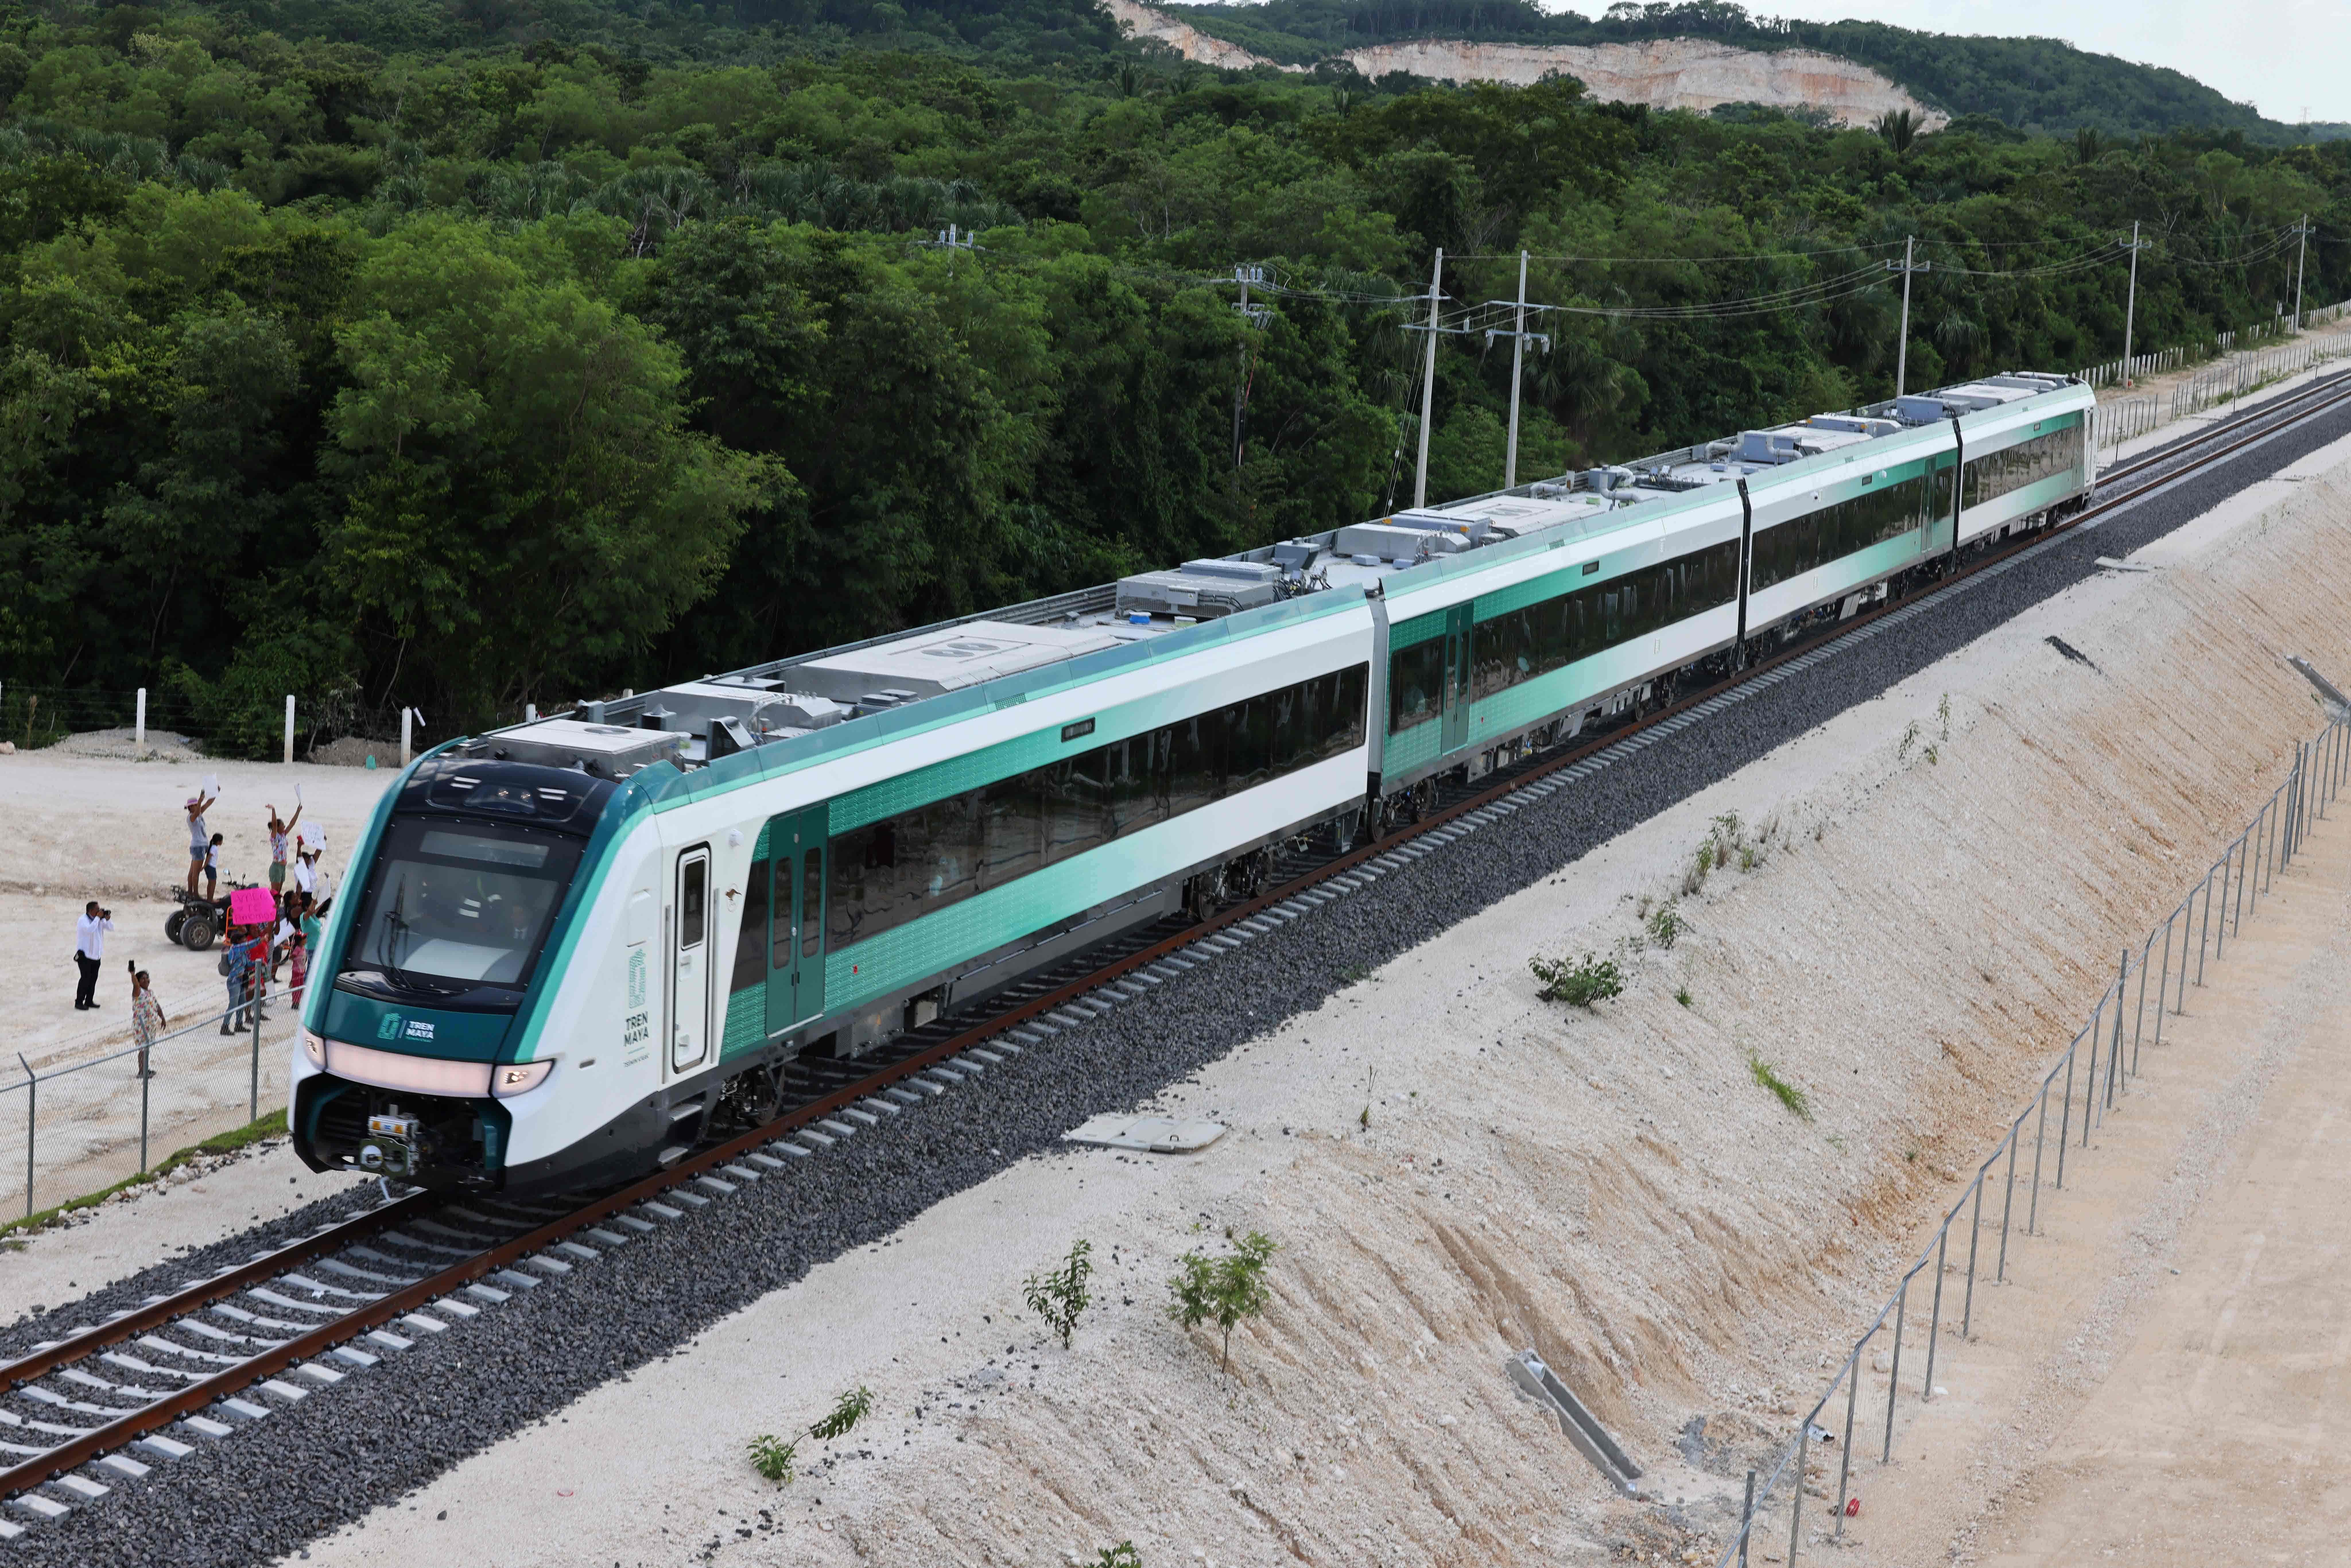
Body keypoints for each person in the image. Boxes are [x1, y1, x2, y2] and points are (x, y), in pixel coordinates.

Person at [129, 965, 165, 1079]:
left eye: (147, 978)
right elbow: (135, 984)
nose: (146, 980)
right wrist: (133, 974)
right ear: (139, 982)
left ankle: (145, 1069)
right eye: (143, 979)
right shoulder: (138, 992)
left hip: (150, 1026)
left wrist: (162, 1018)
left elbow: (157, 1005)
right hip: (141, 1027)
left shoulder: (150, 992)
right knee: (143, 1049)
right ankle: (142, 1071)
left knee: (147, 1048)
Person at [74, 901, 112, 1010]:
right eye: (97, 910)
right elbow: (90, 930)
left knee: (93, 979)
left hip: (96, 956)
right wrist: (98, 919)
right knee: (85, 979)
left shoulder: (99, 920)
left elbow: (111, 928)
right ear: (91, 911)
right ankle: (79, 1002)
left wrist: (107, 919)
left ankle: (89, 1001)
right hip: (85, 956)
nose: (99, 911)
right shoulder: (83, 920)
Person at [265, 801, 302, 893]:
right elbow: (274, 824)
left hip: (283, 867)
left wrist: (298, 811)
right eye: (283, 825)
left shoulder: (283, 835)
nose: (285, 826)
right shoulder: (275, 837)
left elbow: (292, 824)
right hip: (276, 867)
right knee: (274, 893)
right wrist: (273, 810)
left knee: (278, 893)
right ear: (278, 827)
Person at [184, 791, 216, 895]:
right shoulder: (191, 818)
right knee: (195, 873)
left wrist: (215, 792)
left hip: (200, 846)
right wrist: (200, 801)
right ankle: (196, 894)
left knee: (193, 872)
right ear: (190, 807)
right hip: (198, 847)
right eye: (194, 805)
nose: (196, 807)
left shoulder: (199, 814)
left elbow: (208, 803)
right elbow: (198, 811)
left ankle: (190, 892)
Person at [204, 833, 223, 900]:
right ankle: (210, 899)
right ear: (219, 842)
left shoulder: (213, 847)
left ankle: (209, 898)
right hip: (211, 867)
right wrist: (204, 866)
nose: (222, 842)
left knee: (211, 883)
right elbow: (209, 857)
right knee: (213, 884)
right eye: (222, 841)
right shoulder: (214, 848)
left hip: (210, 867)